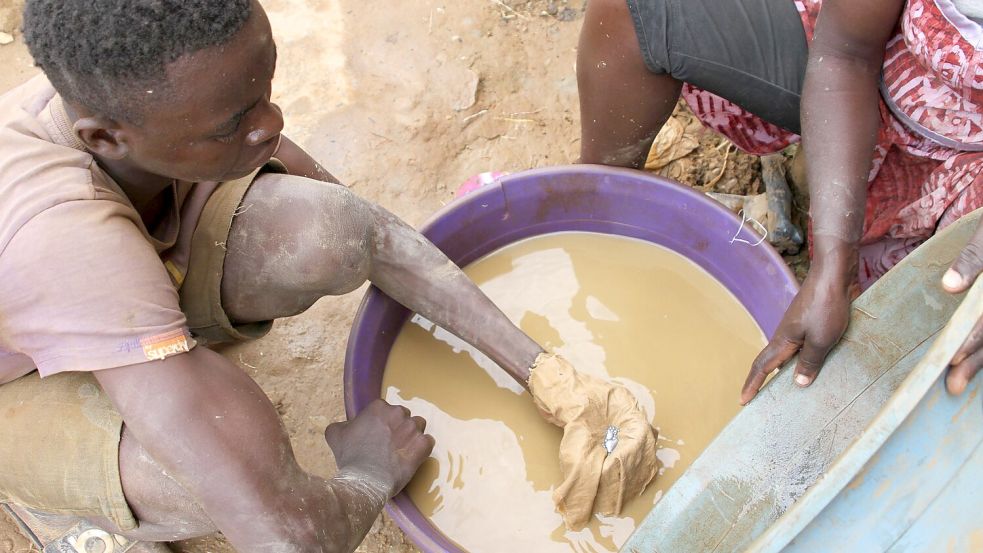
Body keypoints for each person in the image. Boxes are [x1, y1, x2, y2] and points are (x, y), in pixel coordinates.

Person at [0, 0, 657, 551]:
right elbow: (286, 536)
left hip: (116, 275)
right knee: (195, 478)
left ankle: (151, 340)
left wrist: (552, 378)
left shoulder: (142, 95)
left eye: (264, 91)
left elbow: (364, 233)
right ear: (103, 139)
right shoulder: (64, 236)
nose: (272, 123)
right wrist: (367, 474)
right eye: (234, 122)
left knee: (325, 233)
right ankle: (55, 497)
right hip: (21, 377)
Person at [576, 0, 983, 402]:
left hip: (972, 156)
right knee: (637, 14)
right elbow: (846, 54)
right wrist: (832, 264)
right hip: (873, 62)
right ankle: (592, 222)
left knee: (942, 350)